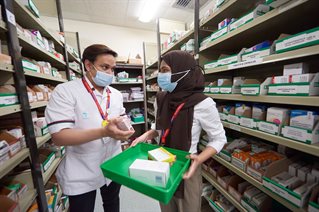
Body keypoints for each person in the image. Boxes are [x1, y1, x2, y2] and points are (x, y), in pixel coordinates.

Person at [131, 50, 227, 212]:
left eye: (165, 70)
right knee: (166, 206)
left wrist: (199, 158)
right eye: (160, 71)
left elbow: (219, 139)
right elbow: (161, 127)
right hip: (161, 163)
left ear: (183, 72)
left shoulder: (203, 103)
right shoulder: (161, 98)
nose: (161, 75)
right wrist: (147, 134)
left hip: (186, 167)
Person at [45, 44, 135, 212]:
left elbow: (122, 117)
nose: (109, 73)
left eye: (112, 69)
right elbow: (59, 136)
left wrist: (126, 130)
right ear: (88, 65)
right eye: (104, 67)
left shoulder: (114, 94)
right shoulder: (66, 91)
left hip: (112, 163)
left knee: (112, 204)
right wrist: (104, 132)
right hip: (82, 169)